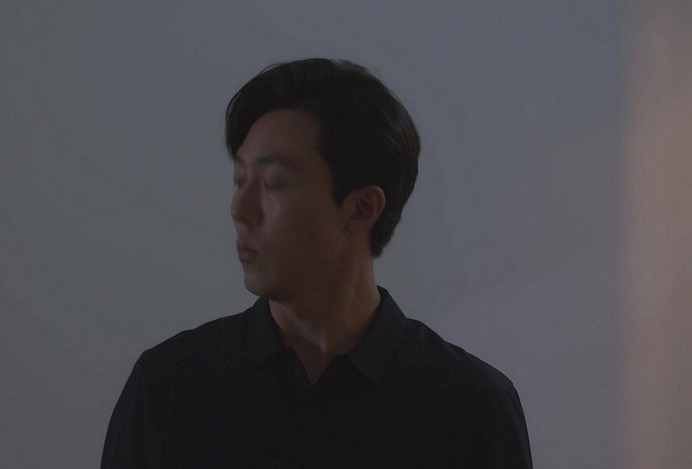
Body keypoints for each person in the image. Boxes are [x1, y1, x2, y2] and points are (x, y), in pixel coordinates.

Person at [101, 58, 533, 468]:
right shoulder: (168, 384)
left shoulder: (471, 406)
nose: (240, 209)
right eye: (240, 180)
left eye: (273, 183)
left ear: (362, 208)